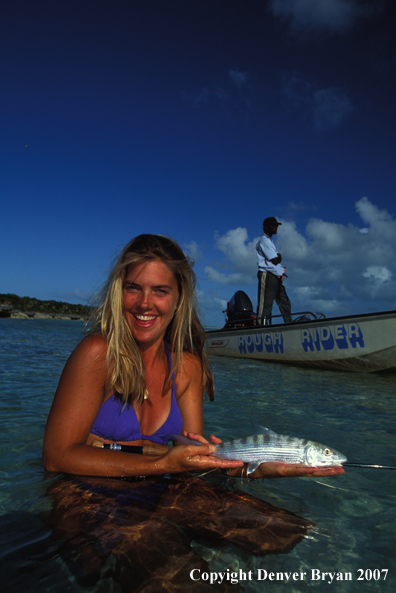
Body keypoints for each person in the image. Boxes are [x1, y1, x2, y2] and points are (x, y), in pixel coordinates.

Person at [43, 234, 343, 481]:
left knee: (277, 531)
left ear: (178, 299)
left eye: (160, 291)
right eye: (133, 288)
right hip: (88, 496)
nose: (144, 303)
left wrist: (256, 469)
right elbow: (56, 457)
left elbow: (190, 462)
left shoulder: (187, 367)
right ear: (118, 292)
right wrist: (162, 466)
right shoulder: (97, 353)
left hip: (157, 489)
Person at [256, 217, 292, 325]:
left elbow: (275, 262)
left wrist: (281, 272)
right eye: (273, 225)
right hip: (267, 276)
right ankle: (260, 328)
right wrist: (279, 256)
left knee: (284, 302)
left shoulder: (269, 241)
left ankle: (289, 325)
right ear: (266, 227)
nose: (276, 227)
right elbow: (275, 260)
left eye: (277, 225)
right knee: (265, 305)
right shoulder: (264, 241)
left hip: (275, 277)